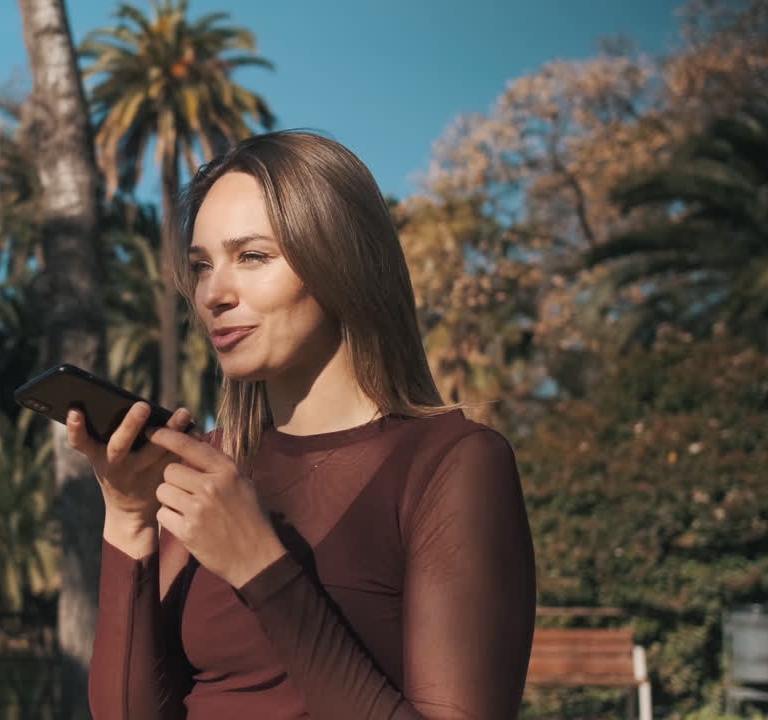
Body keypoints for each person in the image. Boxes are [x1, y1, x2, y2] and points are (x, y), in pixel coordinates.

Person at [72, 130, 536, 720]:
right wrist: (129, 519)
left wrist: (261, 568)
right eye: (200, 266)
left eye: (253, 256)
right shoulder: (211, 468)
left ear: (339, 261)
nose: (213, 292)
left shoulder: (452, 462)